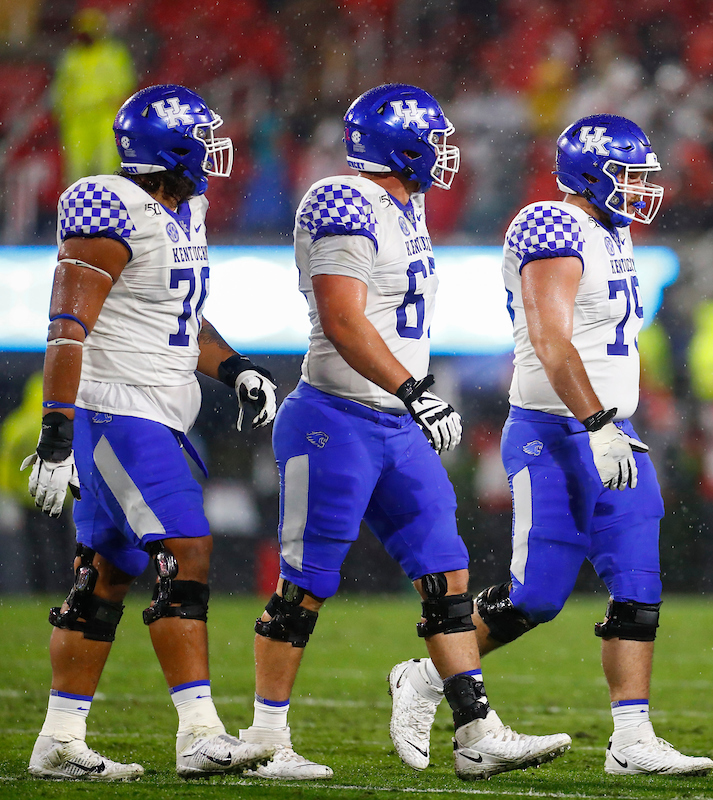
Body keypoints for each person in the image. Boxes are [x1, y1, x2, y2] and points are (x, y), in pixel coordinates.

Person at [243, 84, 570, 782]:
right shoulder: (344, 200)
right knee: (305, 586)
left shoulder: (406, 204)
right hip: (334, 419)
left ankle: (476, 730)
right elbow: (342, 318)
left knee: (447, 574)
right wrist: (413, 390)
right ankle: (266, 737)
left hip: (395, 426)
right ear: (401, 145)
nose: (447, 153)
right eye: (436, 140)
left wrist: (407, 400)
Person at [389, 114, 713, 777]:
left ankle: (632, 740)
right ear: (591, 175)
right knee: (536, 595)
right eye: (629, 175)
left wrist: (616, 422)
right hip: (554, 431)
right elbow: (551, 338)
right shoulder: (552, 223)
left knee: (637, 586)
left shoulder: (611, 233)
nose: (642, 189)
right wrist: (596, 424)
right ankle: (425, 677)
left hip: (613, 431)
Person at [25, 84, 278, 781]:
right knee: (187, 548)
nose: (214, 148)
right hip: (117, 411)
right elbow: (66, 327)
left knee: (104, 576)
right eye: (203, 135)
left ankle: (59, 739)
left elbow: (177, 316)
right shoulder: (109, 210)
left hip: (157, 410)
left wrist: (235, 370)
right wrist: (56, 433)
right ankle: (198, 731)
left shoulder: (184, 208)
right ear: (171, 147)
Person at [50, 8, 136, 183]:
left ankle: (110, 203)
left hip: (106, 116)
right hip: (77, 120)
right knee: (77, 169)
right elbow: (61, 89)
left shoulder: (113, 53)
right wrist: (60, 112)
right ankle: (78, 207)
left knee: (108, 165)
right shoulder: (71, 57)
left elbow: (126, 83)